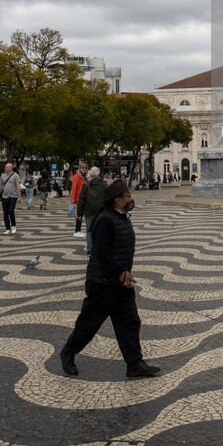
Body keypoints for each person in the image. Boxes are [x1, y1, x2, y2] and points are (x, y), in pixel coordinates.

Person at [60, 178, 161, 380]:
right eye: (127, 196)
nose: (130, 199)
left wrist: (124, 274)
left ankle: (134, 364)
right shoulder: (106, 219)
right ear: (117, 199)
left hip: (120, 282)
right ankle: (68, 352)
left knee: (130, 321)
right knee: (89, 323)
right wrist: (121, 272)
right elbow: (102, 253)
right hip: (102, 282)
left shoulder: (121, 216)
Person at [77, 167, 107, 255]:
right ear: (98, 173)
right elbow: (109, 198)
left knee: (89, 231)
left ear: (90, 174)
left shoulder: (86, 185)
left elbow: (81, 200)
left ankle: (90, 249)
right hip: (101, 211)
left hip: (89, 211)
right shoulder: (104, 185)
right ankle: (100, 248)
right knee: (101, 230)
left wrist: (79, 214)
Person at [0, 162, 21, 234]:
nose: (5, 168)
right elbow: (1, 186)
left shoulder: (16, 175)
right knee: (5, 213)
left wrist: (19, 196)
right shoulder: (2, 176)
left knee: (11, 211)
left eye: (6, 167)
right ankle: (7, 228)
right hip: (4, 196)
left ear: (11, 168)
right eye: (5, 167)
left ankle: (13, 225)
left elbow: (18, 186)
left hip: (13, 196)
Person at [71, 163, 88, 237]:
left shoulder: (85, 177)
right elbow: (74, 188)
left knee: (83, 214)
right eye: (82, 167)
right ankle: (77, 230)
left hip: (85, 198)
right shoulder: (77, 177)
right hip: (80, 199)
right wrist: (73, 199)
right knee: (79, 215)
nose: (84, 169)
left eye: (85, 168)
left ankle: (79, 230)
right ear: (80, 168)